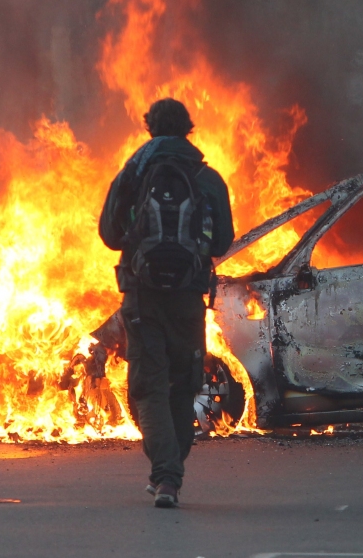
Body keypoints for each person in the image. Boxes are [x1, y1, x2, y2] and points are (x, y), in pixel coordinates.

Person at [99, 98, 234, 508]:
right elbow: (222, 242)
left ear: (150, 129)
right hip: (189, 297)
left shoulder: (133, 173)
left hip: (143, 297)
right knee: (184, 384)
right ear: (189, 129)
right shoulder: (207, 178)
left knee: (148, 386)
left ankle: (166, 477)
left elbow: (109, 235)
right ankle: (169, 474)